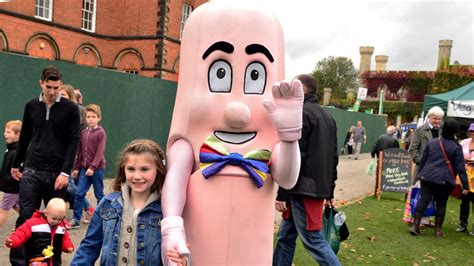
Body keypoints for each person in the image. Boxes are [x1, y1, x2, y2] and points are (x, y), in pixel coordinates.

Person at [72, 139, 186, 265]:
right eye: (131, 169)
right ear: (123, 170)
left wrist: (182, 262)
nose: (137, 176)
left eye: (144, 169)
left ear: (158, 170)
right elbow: (88, 247)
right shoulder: (107, 205)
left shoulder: (167, 212)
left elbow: (176, 255)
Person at [10, 65, 80, 265]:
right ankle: (20, 261)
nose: (52, 92)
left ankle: (52, 261)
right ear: (41, 83)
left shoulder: (70, 109)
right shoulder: (31, 106)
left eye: (56, 88)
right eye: (49, 87)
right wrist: (16, 164)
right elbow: (24, 137)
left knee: (56, 221)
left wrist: (66, 172)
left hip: (57, 174)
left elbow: (74, 141)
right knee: (25, 217)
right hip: (31, 170)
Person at [273, 74, 340, 266]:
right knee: (285, 236)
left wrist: (283, 193)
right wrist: (330, 190)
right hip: (311, 187)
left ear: (302, 89)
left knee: (313, 240)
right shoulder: (328, 116)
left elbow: (294, 157)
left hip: (303, 188)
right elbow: (333, 157)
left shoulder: (301, 114)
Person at [409, 118, 470, 238]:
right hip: (445, 180)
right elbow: (460, 168)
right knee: (441, 204)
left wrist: (420, 175)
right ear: (455, 131)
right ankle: (437, 231)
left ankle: (415, 226)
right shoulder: (456, 147)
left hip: (427, 177)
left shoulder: (433, 142)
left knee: (423, 200)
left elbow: (423, 160)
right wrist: (465, 185)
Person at [59, 85, 93, 222]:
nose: (61, 97)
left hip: (71, 153)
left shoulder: (76, 110)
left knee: (70, 184)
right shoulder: (57, 110)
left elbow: (76, 134)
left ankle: (89, 208)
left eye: (64, 95)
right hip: (59, 152)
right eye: (59, 94)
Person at [5, 198, 74, 265]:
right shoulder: (34, 223)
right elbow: (21, 233)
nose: (56, 221)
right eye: (54, 218)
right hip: (35, 259)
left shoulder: (61, 227)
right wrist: (13, 240)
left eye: (60, 219)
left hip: (54, 260)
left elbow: (65, 238)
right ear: (46, 213)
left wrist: (68, 246)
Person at [70, 104, 106, 229]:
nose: (90, 119)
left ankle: (103, 219)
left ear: (99, 118)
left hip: (97, 170)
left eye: (93, 117)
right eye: (88, 117)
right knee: (79, 194)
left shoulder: (101, 133)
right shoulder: (84, 133)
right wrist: (76, 168)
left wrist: (93, 167)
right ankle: (76, 219)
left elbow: (99, 153)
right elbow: (80, 152)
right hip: (84, 169)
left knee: (99, 195)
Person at [409, 106, 444, 183]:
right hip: (423, 168)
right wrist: (421, 162)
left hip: (438, 169)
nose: (438, 121)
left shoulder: (443, 131)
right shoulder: (420, 130)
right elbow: (413, 149)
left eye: (439, 119)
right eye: (435, 118)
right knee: (419, 192)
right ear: (429, 117)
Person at [0, 120, 22, 228]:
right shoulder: (9, 150)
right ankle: (33, 224)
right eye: (5, 132)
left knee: (2, 211)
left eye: (8, 132)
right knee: (19, 208)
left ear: (18, 135)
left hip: (12, 188)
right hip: (13, 188)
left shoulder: (16, 152)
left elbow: (17, 172)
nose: (5, 134)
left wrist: (8, 182)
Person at [456, 123, 474, 235]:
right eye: (471, 131)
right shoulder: (464, 142)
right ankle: (463, 224)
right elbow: (457, 155)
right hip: (465, 176)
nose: (472, 133)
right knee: (464, 201)